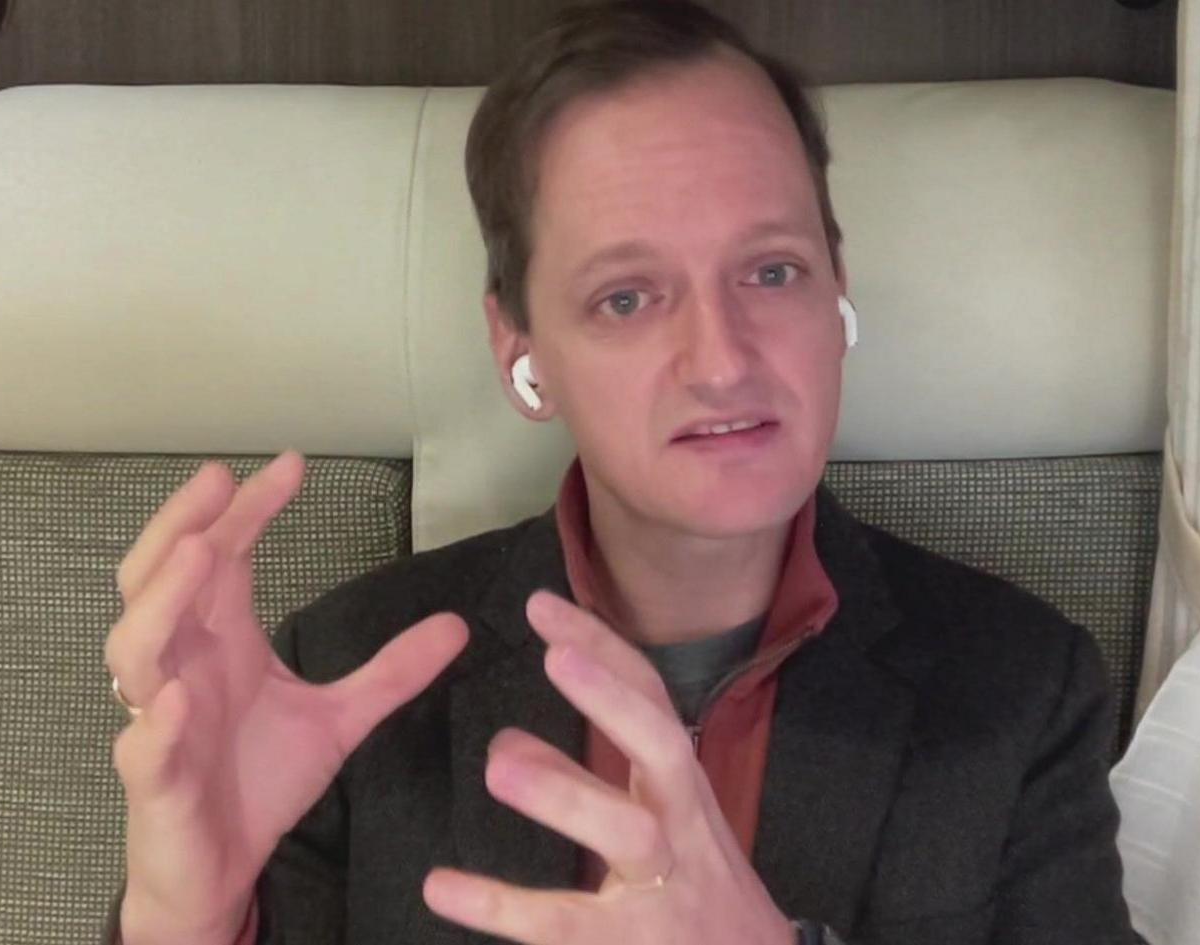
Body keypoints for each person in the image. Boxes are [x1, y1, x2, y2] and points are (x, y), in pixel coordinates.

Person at [102, 2, 1135, 943]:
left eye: (772, 272)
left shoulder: (1021, 693)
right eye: (628, 298)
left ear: (835, 292)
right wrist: (182, 922)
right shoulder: (347, 678)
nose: (724, 360)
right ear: (522, 349)